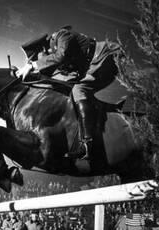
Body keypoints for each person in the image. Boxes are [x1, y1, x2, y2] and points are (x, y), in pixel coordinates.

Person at [16, 25, 120, 161]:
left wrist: (33, 65)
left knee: (79, 90)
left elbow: (61, 56)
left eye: (37, 58)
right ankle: (107, 113)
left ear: (42, 49)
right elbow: (53, 76)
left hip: (108, 54)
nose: (39, 61)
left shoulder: (62, 35)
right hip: (96, 63)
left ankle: (88, 143)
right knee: (74, 92)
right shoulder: (53, 55)